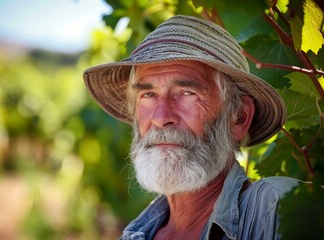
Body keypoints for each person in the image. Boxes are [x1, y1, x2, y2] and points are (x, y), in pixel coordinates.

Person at [83, 15, 298, 240]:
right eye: (148, 94)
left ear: (239, 118)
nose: (161, 117)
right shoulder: (136, 235)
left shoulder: (278, 209)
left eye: (187, 94)